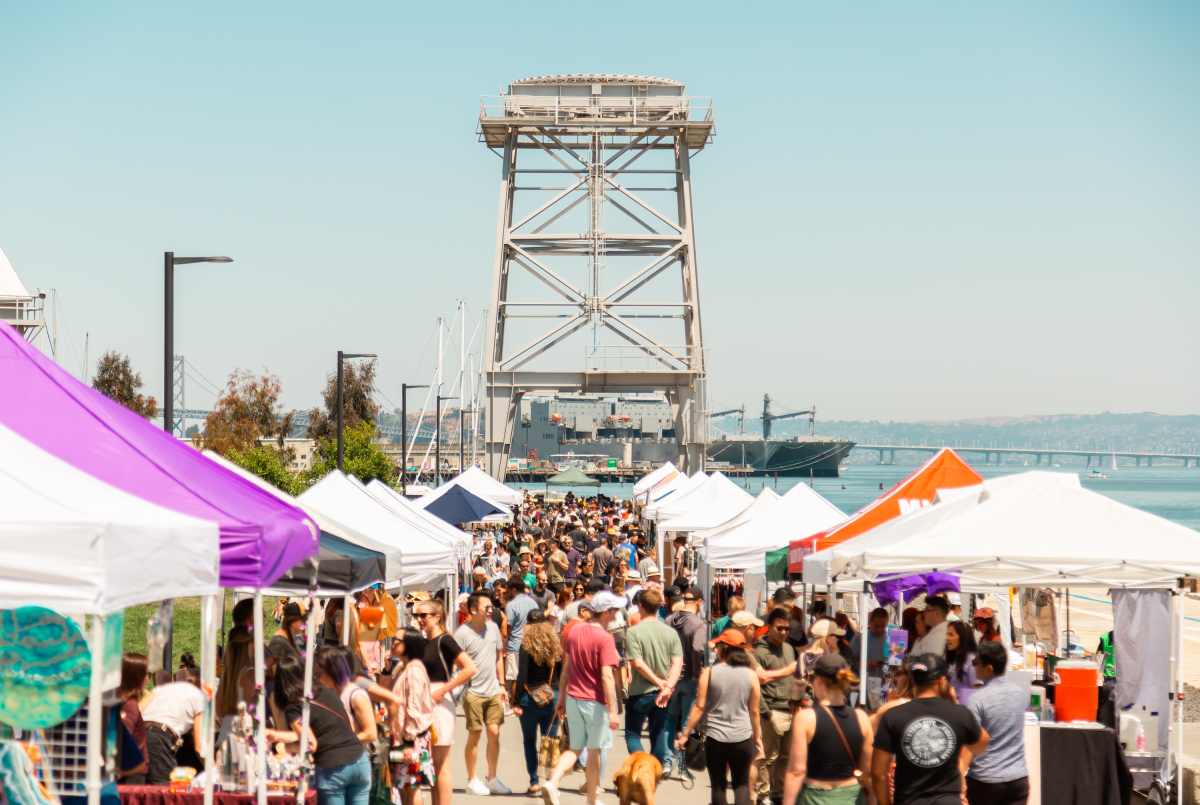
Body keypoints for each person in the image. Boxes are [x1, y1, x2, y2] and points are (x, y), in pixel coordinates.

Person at [870, 654, 989, 805]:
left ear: (913, 679)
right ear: (941, 680)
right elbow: (981, 745)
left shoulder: (893, 715)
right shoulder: (959, 714)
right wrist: (956, 705)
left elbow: (878, 774)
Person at [540, 592, 624, 805]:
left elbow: (566, 668)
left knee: (576, 747)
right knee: (594, 749)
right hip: (595, 702)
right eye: (614, 609)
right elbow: (606, 676)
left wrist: (561, 698)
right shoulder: (605, 638)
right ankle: (591, 799)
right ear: (605, 612)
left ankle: (553, 782)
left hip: (574, 699)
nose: (617, 613)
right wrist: (613, 710)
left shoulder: (575, 631)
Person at [268, 654, 369, 805]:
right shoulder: (327, 692)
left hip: (333, 767)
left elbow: (309, 744)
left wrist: (285, 749)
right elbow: (345, 727)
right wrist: (277, 736)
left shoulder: (294, 708)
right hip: (360, 761)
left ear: (281, 683)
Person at [678, 629, 762, 805]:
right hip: (743, 737)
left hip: (715, 738)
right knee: (742, 784)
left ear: (724, 647)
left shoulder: (709, 673)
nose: (715, 648)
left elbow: (700, 707)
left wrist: (685, 734)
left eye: (717, 646)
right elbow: (754, 711)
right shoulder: (752, 675)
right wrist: (757, 737)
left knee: (718, 785)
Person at [781, 654, 873, 805]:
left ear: (818, 681)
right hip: (852, 797)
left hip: (814, 797)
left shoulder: (806, 718)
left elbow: (796, 772)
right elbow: (867, 771)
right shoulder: (861, 717)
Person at [414, 597, 478, 805]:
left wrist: (445, 688)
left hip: (439, 702)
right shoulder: (425, 641)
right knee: (431, 762)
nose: (419, 619)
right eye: (417, 615)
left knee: (440, 762)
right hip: (426, 701)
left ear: (436, 617)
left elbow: (469, 667)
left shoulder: (444, 640)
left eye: (423, 615)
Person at [453, 592, 511, 796]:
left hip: (494, 689)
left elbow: (498, 658)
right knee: (475, 735)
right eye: (486, 606)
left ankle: (492, 778)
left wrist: (502, 685)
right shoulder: (462, 634)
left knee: (494, 734)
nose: (490, 609)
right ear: (473, 610)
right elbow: (455, 664)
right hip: (473, 691)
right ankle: (472, 779)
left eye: (491, 606)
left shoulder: (494, 628)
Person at [964, 641, 1030, 805]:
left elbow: (971, 741)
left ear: (989, 668)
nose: (974, 667)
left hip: (985, 780)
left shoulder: (977, 699)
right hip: (1018, 778)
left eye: (976, 663)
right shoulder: (1019, 693)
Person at [624, 589, 683, 768]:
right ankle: (653, 770)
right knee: (657, 734)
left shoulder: (633, 632)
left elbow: (638, 664)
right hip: (662, 693)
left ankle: (643, 766)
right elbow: (678, 663)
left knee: (632, 734)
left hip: (640, 692)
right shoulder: (670, 632)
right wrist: (667, 687)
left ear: (640, 606)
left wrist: (660, 683)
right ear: (659, 606)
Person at [512, 610, 563, 796]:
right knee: (549, 741)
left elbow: (522, 675)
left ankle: (534, 782)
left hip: (528, 699)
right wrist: (562, 698)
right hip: (552, 696)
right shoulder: (555, 645)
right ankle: (550, 782)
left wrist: (516, 702)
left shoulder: (525, 645)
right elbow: (560, 673)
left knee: (529, 741)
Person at [753, 609, 799, 805]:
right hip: (771, 710)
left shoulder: (788, 648)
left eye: (787, 629)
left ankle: (778, 795)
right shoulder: (759, 651)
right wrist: (766, 714)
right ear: (769, 627)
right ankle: (763, 796)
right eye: (779, 628)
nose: (783, 632)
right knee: (766, 758)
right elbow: (758, 682)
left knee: (785, 758)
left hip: (790, 710)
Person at [665, 586, 708, 776]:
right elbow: (699, 649)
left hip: (671, 677)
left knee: (668, 722)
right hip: (690, 677)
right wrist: (698, 673)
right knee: (687, 725)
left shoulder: (668, 620)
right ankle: (682, 768)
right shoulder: (699, 624)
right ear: (699, 602)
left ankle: (666, 763)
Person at [389, 627, 435, 805]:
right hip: (408, 736)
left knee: (411, 785)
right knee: (406, 786)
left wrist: (409, 742)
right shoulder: (404, 667)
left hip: (412, 738)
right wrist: (386, 670)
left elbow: (413, 708)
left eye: (396, 640)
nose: (392, 643)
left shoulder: (413, 671)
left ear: (408, 644)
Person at [140, 673, 206, 784]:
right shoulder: (201, 697)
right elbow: (200, 747)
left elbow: (138, 709)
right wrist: (215, 771)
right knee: (168, 792)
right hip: (159, 738)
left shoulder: (162, 689)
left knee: (135, 791)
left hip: (137, 734)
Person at [315, 646, 378, 750]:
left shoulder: (356, 695)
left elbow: (371, 734)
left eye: (318, 674)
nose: (316, 679)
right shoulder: (336, 693)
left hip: (355, 761)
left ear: (332, 671)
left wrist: (335, 744)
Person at [505, 577, 541, 704]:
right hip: (531, 644)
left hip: (514, 645)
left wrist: (504, 646)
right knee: (528, 676)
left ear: (513, 590)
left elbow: (508, 629)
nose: (506, 592)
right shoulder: (533, 603)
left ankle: (514, 704)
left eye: (507, 590)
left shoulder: (511, 605)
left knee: (514, 678)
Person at [117, 653, 150, 783]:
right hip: (132, 772)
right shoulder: (131, 704)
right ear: (136, 677)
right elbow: (125, 735)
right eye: (146, 674)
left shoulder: (122, 701)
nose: (148, 678)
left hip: (129, 769)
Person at [850, 608, 890, 688]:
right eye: (876, 626)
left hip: (886, 686)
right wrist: (865, 665)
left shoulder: (892, 640)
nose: (879, 630)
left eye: (883, 626)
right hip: (862, 686)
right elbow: (850, 663)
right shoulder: (859, 638)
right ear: (870, 622)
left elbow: (899, 666)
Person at [945, 621, 981, 701]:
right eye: (947, 634)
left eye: (951, 635)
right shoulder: (953, 658)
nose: (946, 638)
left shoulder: (972, 661)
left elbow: (977, 692)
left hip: (962, 709)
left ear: (963, 637)